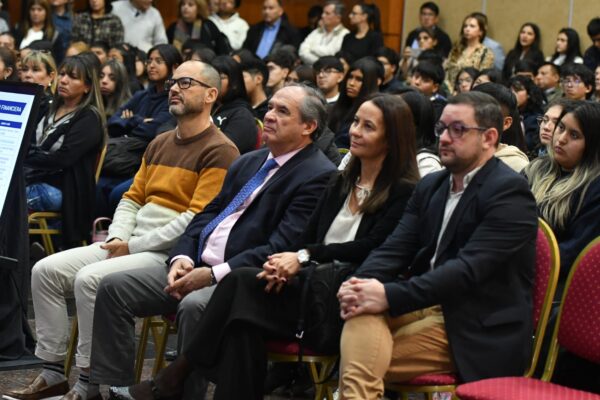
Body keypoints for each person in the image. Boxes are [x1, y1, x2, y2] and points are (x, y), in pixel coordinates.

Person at [120, 93, 421, 400]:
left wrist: (302, 256)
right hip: (303, 283)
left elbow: (370, 248)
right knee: (242, 323)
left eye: (368, 127)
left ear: (391, 139)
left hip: (342, 296)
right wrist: (288, 262)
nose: (355, 131)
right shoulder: (341, 182)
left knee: (239, 286)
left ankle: (174, 376)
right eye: (355, 122)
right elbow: (305, 237)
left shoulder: (405, 191)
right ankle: (172, 380)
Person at [5, 60, 239, 400]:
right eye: (173, 82)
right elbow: (132, 198)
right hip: (131, 242)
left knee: (90, 279)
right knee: (45, 271)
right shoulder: (160, 142)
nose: (174, 88)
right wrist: (118, 237)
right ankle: (53, 371)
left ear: (211, 95)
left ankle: (88, 383)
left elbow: (195, 220)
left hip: (171, 254)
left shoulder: (221, 149)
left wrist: (133, 245)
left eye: (186, 83)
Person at [88, 84, 336, 399]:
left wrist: (211, 275)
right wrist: (182, 258)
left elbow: (280, 246)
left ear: (308, 126)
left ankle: (178, 394)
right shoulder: (250, 161)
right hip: (196, 263)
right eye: (271, 107)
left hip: (240, 280)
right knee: (113, 286)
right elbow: (205, 215)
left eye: (282, 111)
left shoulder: (317, 174)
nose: (269, 116)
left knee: (194, 305)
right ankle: (112, 389)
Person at [337, 91, 538, 398]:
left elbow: (467, 270)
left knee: (358, 360)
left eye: (458, 130)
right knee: (360, 312)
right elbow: (394, 248)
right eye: (441, 128)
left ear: (489, 138)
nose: (443, 138)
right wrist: (359, 283)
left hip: (476, 325)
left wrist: (388, 295)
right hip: (424, 303)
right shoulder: (432, 185)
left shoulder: (509, 193)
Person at [23, 55, 105, 247]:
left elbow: (62, 159)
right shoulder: (49, 107)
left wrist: (27, 156)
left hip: (62, 190)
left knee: (7, 196)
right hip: (33, 179)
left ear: (87, 87)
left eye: (73, 77)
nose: (64, 80)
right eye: (62, 74)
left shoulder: (89, 118)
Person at [97, 44, 182, 217]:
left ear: (174, 67)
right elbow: (113, 123)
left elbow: (153, 131)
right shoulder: (141, 95)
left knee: (116, 193)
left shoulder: (174, 100)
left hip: (144, 161)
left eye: (158, 61)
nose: (151, 65)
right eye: (149, 61)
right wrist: (140, 121)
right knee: (94, 185)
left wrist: (130, 120)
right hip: (122, 159)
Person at [525, 101, 600, 281]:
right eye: (561, 128)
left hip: (552, 281)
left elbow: (572, 253)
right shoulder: (536, 168)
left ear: (592, 145)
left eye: (574, 135)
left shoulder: (594, 188)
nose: (561, 139)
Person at [472, 82, 529, 171]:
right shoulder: (455, 154)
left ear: (505, 123)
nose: (474, 120)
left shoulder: (516, 166)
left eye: (485, 114)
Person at [329, 57, 382, 148]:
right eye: (350, 77)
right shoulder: (334, 107)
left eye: (359, 79)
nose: (351, 83)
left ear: (369, 82)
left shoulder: (374, 112)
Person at [211, 55, 258, 154]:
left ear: (235, 83)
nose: (213, 82)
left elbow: (225, 152)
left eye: (220, 77)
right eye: (211, 77)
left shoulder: (242, 115)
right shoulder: (207, 106)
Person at [445, 12, 494, 93]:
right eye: (465, 26)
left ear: (481, 31)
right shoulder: (456, 49)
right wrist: (450, 90)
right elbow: (447, 71)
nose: (467, 29)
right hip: (450, 91)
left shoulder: (486, 53)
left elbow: (483, 78)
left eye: (472, 26)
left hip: (472, 93)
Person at [166, 0, 231, 55]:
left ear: (199, 8)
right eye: (183, 4)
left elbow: (222, 51)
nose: (185, 7)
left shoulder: (208, 25)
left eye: (190, 5)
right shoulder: (173, 27)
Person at [299, 0, 349, 66]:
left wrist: (312, 48)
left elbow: (331, 53)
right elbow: (302, 52)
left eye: (327, 13)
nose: (322, 16)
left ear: (338, 18)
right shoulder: (317, 31)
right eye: (323, 12)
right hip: (310, 69)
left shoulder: (345, 34)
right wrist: (320, 63)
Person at [19, 50, 57, 123]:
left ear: (51, 76)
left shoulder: (53, 107)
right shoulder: (11, 98)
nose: (27, 75)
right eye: (24, 69)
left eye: (35, 70)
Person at [509, 75, 545, 153]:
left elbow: (530, 144)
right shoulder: (508, 112)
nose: (512, 93)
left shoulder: (537, 116)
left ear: (529, 94)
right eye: (510, 90)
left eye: (517, 90)